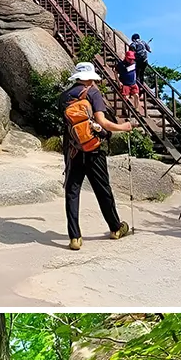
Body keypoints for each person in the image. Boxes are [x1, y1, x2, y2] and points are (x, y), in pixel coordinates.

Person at [59, 62, 134, 251]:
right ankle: (116, 228)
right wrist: (122, 128)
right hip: (94, 149)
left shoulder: (64, 96)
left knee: (72, 191)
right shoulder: (92, 93)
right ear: (91, 78)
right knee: (102, 189)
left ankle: (74, 237)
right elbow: (102, 122)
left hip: (73, 150)